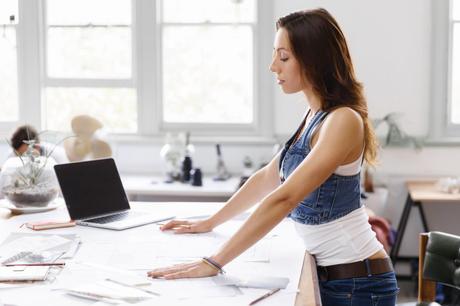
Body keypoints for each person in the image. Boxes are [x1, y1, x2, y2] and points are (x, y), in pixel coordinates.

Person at [148, 8, 399, 306]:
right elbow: (268, 177)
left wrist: (214, 262)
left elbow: (284, 198)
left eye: (283, 57)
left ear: (313, 60)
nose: (273, 67)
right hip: (336, 279)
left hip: (358, 284)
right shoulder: (314, 115)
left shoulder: (343, 120)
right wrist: (210, 222)